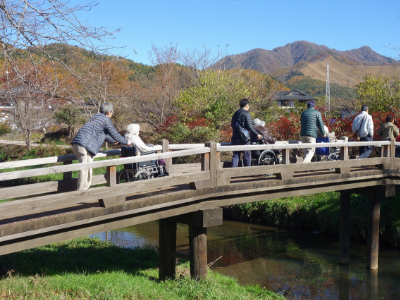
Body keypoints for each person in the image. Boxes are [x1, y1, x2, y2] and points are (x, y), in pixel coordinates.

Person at [72, 102, 132, 190]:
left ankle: (83, 190)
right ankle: (81, 192)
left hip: (77, 143)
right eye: (112, 112)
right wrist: (126, 141)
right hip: (85, 146)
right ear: (109, 112)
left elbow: (104, 135)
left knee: (86, 169)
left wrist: (114, 141)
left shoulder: (95, 117)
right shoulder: (106, 120)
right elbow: (115, 134)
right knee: (85, 170)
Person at [231, 98, 261, 167]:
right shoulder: (246, 114)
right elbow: (250, 126)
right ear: (247, 105)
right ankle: (248, 173)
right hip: (244, 140)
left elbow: (232, 125)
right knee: (247, 156)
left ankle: (232, 174)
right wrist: (257, 134)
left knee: (235, 156)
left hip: (235, 139)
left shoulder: (235, 114)